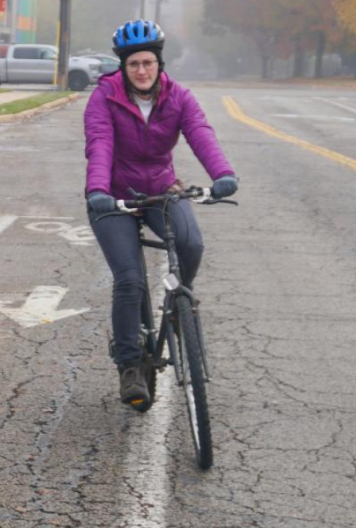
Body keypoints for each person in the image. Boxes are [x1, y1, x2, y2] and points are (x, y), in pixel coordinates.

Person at [83, 20, 239, 409]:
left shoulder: (179, 97)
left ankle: (180, 308)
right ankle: (130, 365)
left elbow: (200, 132)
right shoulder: (104, 97)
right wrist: (98, 191)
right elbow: (99, 143)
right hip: (115, 198)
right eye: (134, 63)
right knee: (130, 280)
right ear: (123, 66)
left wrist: (222, 175)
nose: (141, 70)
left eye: (148, 62)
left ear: (159, 63)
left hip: (161, 190)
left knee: (190, 242)